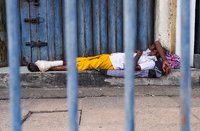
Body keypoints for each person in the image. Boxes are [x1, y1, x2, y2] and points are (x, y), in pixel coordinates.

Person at [27, 41, 171, 74]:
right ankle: (48, 64)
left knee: (82, 65)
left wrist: (138, 55)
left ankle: (46, 67)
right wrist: (164, 58)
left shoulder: (150, 63)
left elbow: (133, 68)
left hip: (112, 64)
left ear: (157, 56)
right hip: (109, 57)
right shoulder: (148, 53)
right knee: (81, 60)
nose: (152, 49)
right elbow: (157, 43)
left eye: (156, 51)